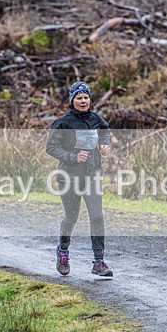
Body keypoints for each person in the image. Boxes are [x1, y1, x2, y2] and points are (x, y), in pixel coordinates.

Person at [45, 81, 113, 278]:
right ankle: (63, 252)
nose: (83, 101)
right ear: (72, 100)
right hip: (69, 177)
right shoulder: (63, 122)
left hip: (92, 175)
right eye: (79, 98)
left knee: (97, 216)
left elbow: (105, 131)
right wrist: (73, 157)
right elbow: (51, 148)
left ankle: (98, 261)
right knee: (71, 217)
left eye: (86, 98)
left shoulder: (95, 119)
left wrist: (104, 145)